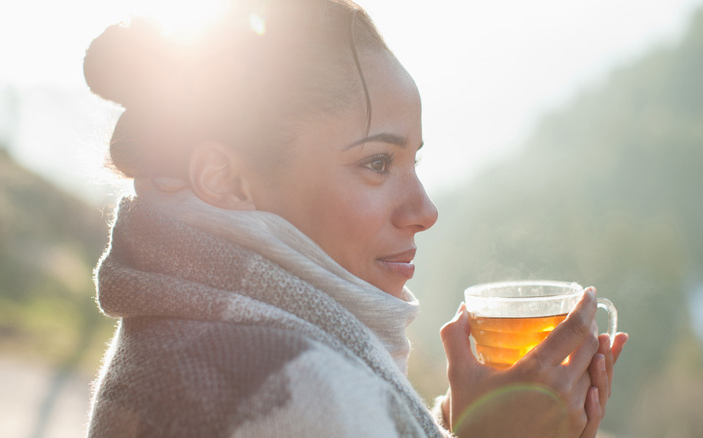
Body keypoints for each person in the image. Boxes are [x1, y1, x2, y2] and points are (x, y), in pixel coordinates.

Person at [83, 0, 628, 436]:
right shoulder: (298, 389)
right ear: (226, 180)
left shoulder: (189, 338)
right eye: (376, 162)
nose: (425, 212)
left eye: (414, 160)